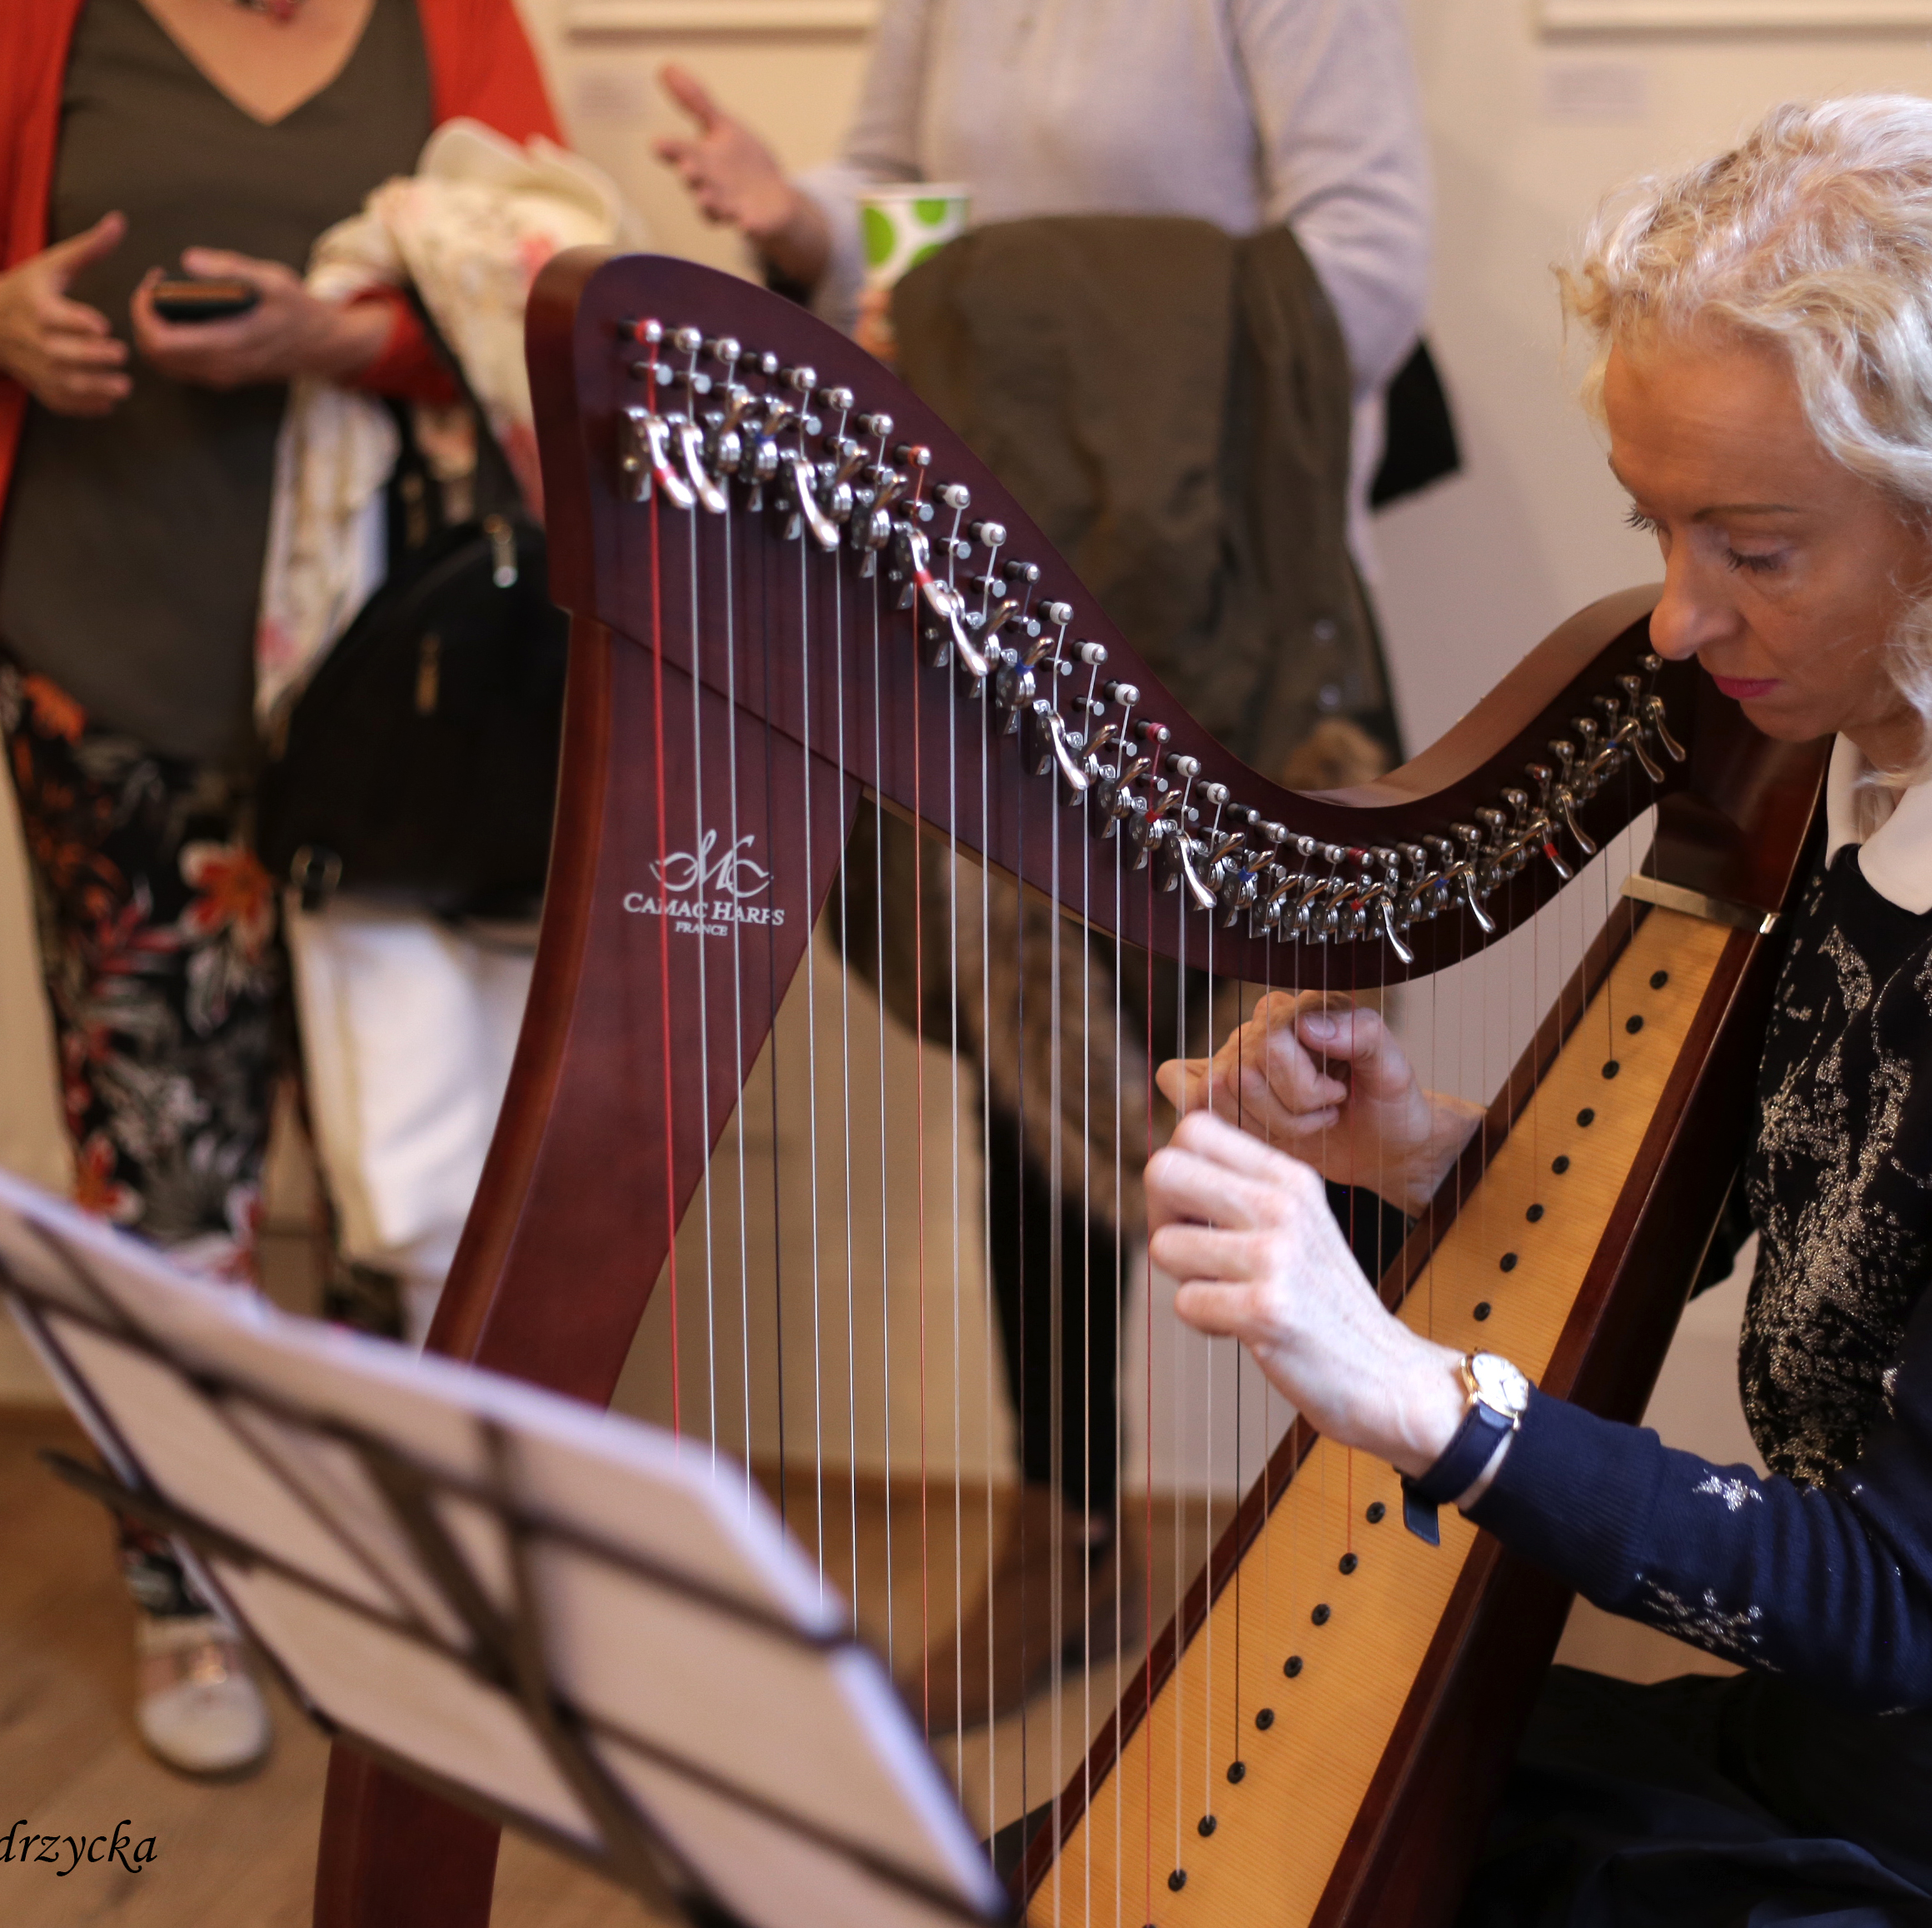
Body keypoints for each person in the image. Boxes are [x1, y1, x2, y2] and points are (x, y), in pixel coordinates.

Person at [1150, 96, 1932, 1925]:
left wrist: (1416, 1391)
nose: (1673, 621)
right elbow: (1816, 1186)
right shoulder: (1892, 741)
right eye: (1657, 527)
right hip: (1850, 1738)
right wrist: (1419, 1150)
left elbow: (1904, 1595)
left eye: (1751, 546)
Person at [651, 0, 1432, 1731]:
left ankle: (1395, 1544)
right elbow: (901, 222)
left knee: (1304, 1063)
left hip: (1234, 597)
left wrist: (1004, 312)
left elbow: (1369, 276)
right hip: (1003, 591)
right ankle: (1066, 1542)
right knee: (1029, 1066)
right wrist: (804, 225)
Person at [0, 0, 559, 1778]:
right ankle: (180, 1585)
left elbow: (549, 300)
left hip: (389, 700)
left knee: (399, 1157)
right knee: (159, 1166)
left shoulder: (455, 19)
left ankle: (374, 1582)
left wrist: (339, 339)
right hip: (106, 682)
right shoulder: (46, 18)